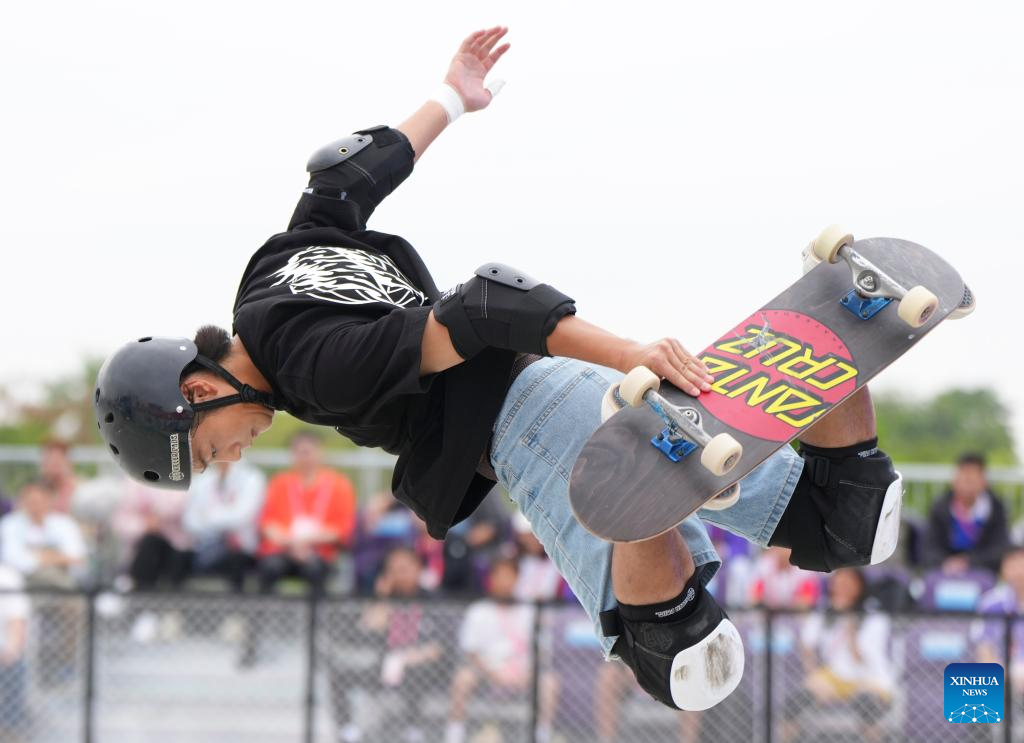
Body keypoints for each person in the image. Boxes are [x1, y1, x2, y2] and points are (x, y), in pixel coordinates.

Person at [93, 26, 905, 712]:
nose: (233, 457)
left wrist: (631, 355)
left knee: (672, 654)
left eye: (212, 448)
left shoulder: (311, 367)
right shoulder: (271, 280)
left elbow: (482, 307)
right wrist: (452, 96)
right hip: (578, 394)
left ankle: (642, 472)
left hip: (542, 428)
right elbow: (344, 177)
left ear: (201, 389)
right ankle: (839, 306)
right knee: (849, 516)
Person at [446, 557, 558, 743]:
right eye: (500, 576)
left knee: (549, 683)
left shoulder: (529, 610)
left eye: (510, 576)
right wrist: (492, 674)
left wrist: (527, 674)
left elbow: (542, 650)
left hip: (524, 674)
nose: (505, 582)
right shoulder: (479, 611)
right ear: (491, 579)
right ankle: (454, 735)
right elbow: (470, 652)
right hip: (486, 672)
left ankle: (541, 736)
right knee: (463, 678)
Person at [780, 569, 895, 743]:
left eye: (848, 584)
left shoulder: (874, 617)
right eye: (838, 584)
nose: (841, 589)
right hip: (835, 678)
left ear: (860, 587)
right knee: (794, 703)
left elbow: (859, 658)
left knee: (867, 705)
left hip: (870, 679)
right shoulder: (825, 613)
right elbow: (807, 645)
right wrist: (813, 675)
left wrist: (849, 621)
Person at [257, 431, 356, 596]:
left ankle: (316, 613)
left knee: (315, 570)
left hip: (320, 552)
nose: (304, 458)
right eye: (299, 452)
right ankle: (267, 610)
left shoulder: (339, 485)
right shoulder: (280, 483)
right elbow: (267, 523)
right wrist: (290, 543)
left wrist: (306, 541)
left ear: (320, 452)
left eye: (308, 452)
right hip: (283, 550)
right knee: (269, 567)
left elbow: (342, 530)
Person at [184, 459, 267, 592]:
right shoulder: (202, 480)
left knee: (237, 561)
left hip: (241, 550)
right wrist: (225, 515)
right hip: (204, 547)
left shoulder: (252, 478)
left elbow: (242, 517)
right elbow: (190, 521)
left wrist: (208, 516)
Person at [923, 452, 1009, 574]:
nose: (967, 485)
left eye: (972, 479)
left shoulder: (996, 509)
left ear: (984, 482)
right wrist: (946, 563)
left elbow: (999, 548)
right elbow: (929, 547)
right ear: (954, 480)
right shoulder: (939, 507)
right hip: (944, 571)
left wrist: (969, 562)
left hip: (982, 572)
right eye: (964, 478)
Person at [0, 480, 87, 587]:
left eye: (40, 500)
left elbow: (76, 557)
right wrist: (56, 557)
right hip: (21, 583)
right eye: (31, 501)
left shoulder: (64, 523)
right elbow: (12, 558)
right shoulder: (9, 524)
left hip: (62, 581)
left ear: (49, 500)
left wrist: (37, 556)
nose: (36, 506)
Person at [112, 482, 193, 591]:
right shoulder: (133, 485)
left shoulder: (178, 480)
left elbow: (180, 508)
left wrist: (157, 517)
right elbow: (121, 523)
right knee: (151, 542)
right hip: (142, 551)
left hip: (177, 550)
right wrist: (145, 525)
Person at [974, 546, 1024, 692]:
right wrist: (1002, 675)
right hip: (1002, 672)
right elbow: (984, 647)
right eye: (1012, 566)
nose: (1018, 572)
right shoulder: (991, 602)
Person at [0, 564, 29, 738]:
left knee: (15, 665)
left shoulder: (7, 577)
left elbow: (18, 620)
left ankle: (10, 729)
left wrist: (12, 649)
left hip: (2, 650)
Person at [38, 439, 79, 515]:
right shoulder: (37, 489)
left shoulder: (79, 490)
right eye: (48, 460)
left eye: (56, 461)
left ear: (68, 462)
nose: (51, 465)